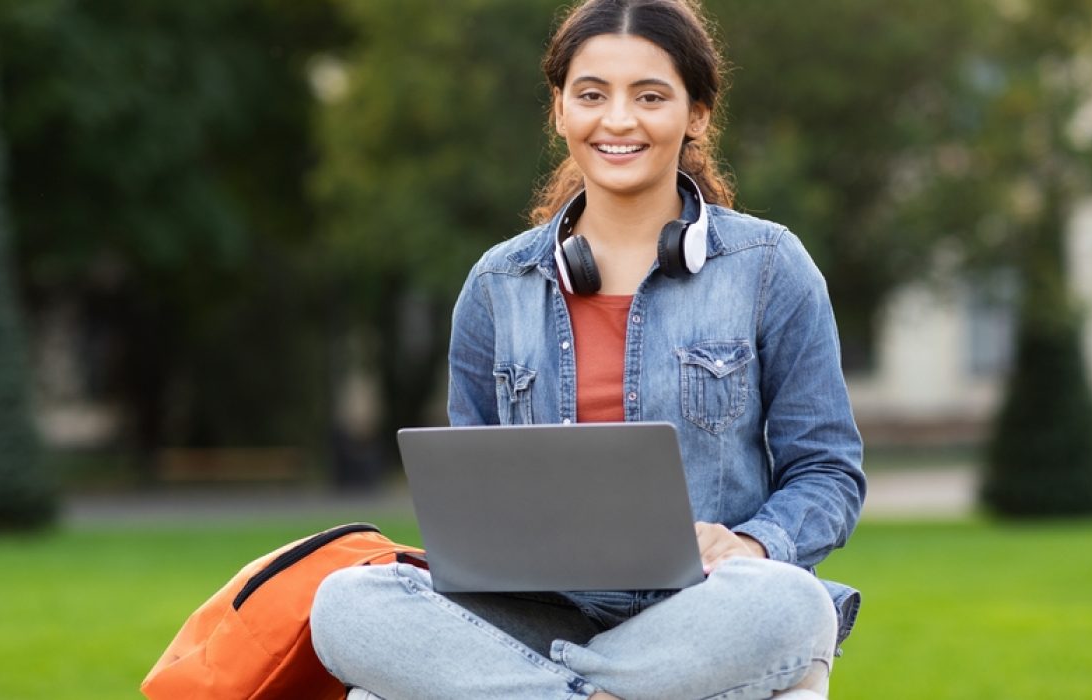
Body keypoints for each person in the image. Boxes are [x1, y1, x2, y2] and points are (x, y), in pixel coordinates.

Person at [310, 1, 865, 697]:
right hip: (543, 614)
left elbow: (828, 472)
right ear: (560, 111)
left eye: (651, 96)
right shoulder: (496, 285)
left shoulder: (769, 266)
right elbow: (472, 497)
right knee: (344, 604)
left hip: (705, 613)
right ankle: (598, 693)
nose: (619, 121)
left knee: (794, 605)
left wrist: (753, 544)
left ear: (695, 114)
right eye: (593, 95)